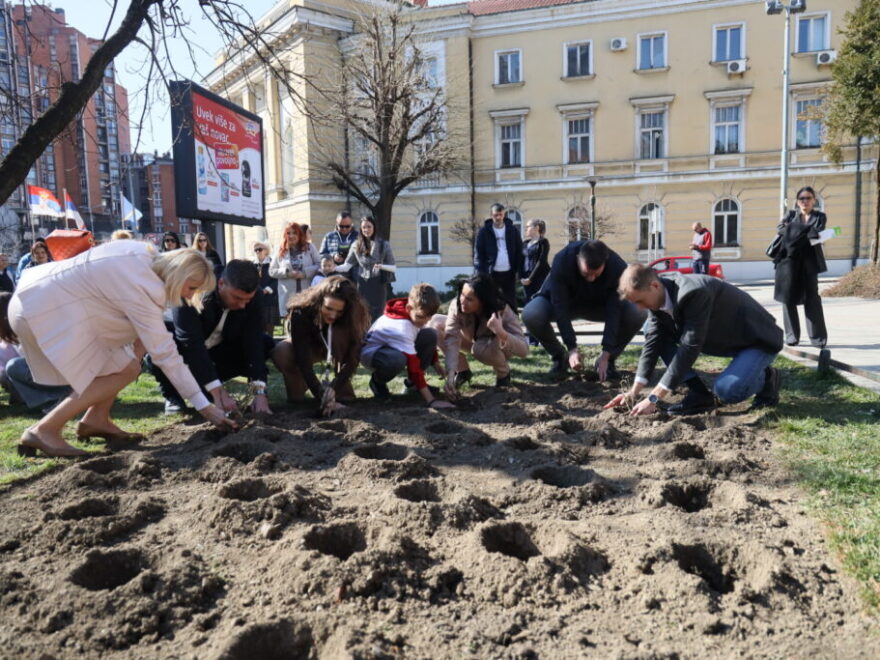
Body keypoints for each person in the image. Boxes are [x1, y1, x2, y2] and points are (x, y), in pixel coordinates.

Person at [8, 241, 236, 457]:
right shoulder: (143, 287)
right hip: (45, 311)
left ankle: (97, 418)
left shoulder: (141, 255)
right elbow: (166, 354)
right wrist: (204, 406)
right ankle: (45, 430)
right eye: (191, 287)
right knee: (126, 369)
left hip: (35, 298)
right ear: (179, 275)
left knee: (127, 365)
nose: (189, 296)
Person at [605, 264, 783, 416]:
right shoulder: (659, 296)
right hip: (725, 339)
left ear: (654, 286)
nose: (639, 308)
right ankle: (699, 394)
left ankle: (767, 377)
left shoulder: (694, 293)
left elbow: (689, 348)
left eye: (640, 301)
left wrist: (654, 398)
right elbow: (652, 344)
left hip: (757, 340)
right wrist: (633, 392)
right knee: (653, 332)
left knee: (728, 391)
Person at [149, 259, 275, 416]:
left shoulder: (255, 297)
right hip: (186, 348)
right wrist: (217, 391)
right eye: (237, 298)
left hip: (221, 349)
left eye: (247, 300)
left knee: (265, 343)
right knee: (160, 348)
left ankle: (212, 387)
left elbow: (253, 341)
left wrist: (260, 391)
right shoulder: (192, 288)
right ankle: (173, 395)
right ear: (221, 283)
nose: (243, 305)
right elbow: (190, 343)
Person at [522, 239, 646, 381]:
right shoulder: (562, 260)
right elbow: (560, 306)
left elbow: (614, 311)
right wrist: (572, 349)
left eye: (596, 274)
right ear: (577, 259)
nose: (591, 279)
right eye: (587, 273)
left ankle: (608, 362)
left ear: (605, 262)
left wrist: (607, 353)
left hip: (600, 306)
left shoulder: (618, 268)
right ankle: (560, 357)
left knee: (638, 312)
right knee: (530, 313)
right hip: (566, 304)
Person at [271, 276, 371, 416]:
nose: (332, 315)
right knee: (282, 352)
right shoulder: (300, 311)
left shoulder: (353, 313)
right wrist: (319, 392)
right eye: (328, 308)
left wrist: (334, 387)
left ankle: (342, 393)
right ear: (319, 302)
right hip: (310, 347)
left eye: (339, 311)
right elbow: (302, 356)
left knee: (338, 337)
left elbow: (353, 356)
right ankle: (299, 391)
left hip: (338, 346)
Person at [431, 274, 528, 397]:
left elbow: (524, 351)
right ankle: (461, 371)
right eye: (462, 295)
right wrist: (450, 375)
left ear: (483, 301)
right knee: (435, 323)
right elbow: (452, 339)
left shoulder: (502, 309)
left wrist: (500, 332)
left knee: (479, 349)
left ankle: (503, 375)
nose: (463, 302)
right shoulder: (457, 305)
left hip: (497, 348)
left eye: (470, 299)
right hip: (471, 340)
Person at [361, 283, 453, 409]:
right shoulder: (402, 327)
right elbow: (413, 365)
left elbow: (423, 334)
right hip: (373, 355)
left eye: (429, 317)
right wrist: (431, 401)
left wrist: (436, 362)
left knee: (431, 334)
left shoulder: (415, 311)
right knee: (397, 359)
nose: (426, 321)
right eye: (421, 317)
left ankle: (412, 385)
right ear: (409, 308)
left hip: (391, 347)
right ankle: (377, 382)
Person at [773, 186, 828, 348]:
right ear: (797, 202)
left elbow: (817, 233)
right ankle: (791, 336)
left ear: (814, 201)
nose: (805, 201)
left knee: (812, 299)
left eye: (808, 198)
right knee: (787, 298)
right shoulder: (790, 214)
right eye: (802, 198)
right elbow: (780, 230)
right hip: (788, 262)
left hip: (810, 263)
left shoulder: (820, 216)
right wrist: (805, 231)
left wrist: (793, 231)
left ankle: (817, 338)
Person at [342, 216, 396, 321]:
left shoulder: (384, 245)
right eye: (364, 227)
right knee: (362, 313)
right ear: (361, 229)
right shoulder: (355, 245)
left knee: (378, 315)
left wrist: (382, 266)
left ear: (374, 227)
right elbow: (347, 265)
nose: (366, 230)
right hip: (362, 283)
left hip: (378, 283)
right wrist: (333, 267)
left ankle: (376, 335)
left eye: (369, 226)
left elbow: (393, 267)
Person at [475, 203, 522, 310]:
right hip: (491, 272)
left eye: (500, 215)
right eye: (496, 215)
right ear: (491, 215)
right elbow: (479, 253)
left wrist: (518, 270)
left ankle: (512, 324)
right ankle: (492, 323)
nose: (498, 217)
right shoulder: (484, 231)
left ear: (504, 214)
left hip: (509, 272)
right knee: (491, 300)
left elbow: (519, 251)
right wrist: (481, 273)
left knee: (510, 301)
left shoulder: (512, 230)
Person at [270, 221, 321, 318]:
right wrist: (286, 273)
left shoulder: (310, 247)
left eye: (294, 233)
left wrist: (305, 273)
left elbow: (319, 264)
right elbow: (272, 271)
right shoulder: (280, 249)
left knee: (308, 324)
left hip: (307, 294)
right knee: (291, 327)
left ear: (299, 234)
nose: (291, 236)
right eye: (288, 233)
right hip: (288, 296)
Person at [253, 242, 279, 335]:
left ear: (266, 251)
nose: (257, 252)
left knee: (270, 324)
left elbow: (277, 279)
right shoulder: (253, 265)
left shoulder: (272, 263)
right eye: (255, 250)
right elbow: (251, 280)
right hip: (257, 297)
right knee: (258, 324)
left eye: (260, 249)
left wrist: (267, 289)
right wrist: (259, 290)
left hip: (270, 297)